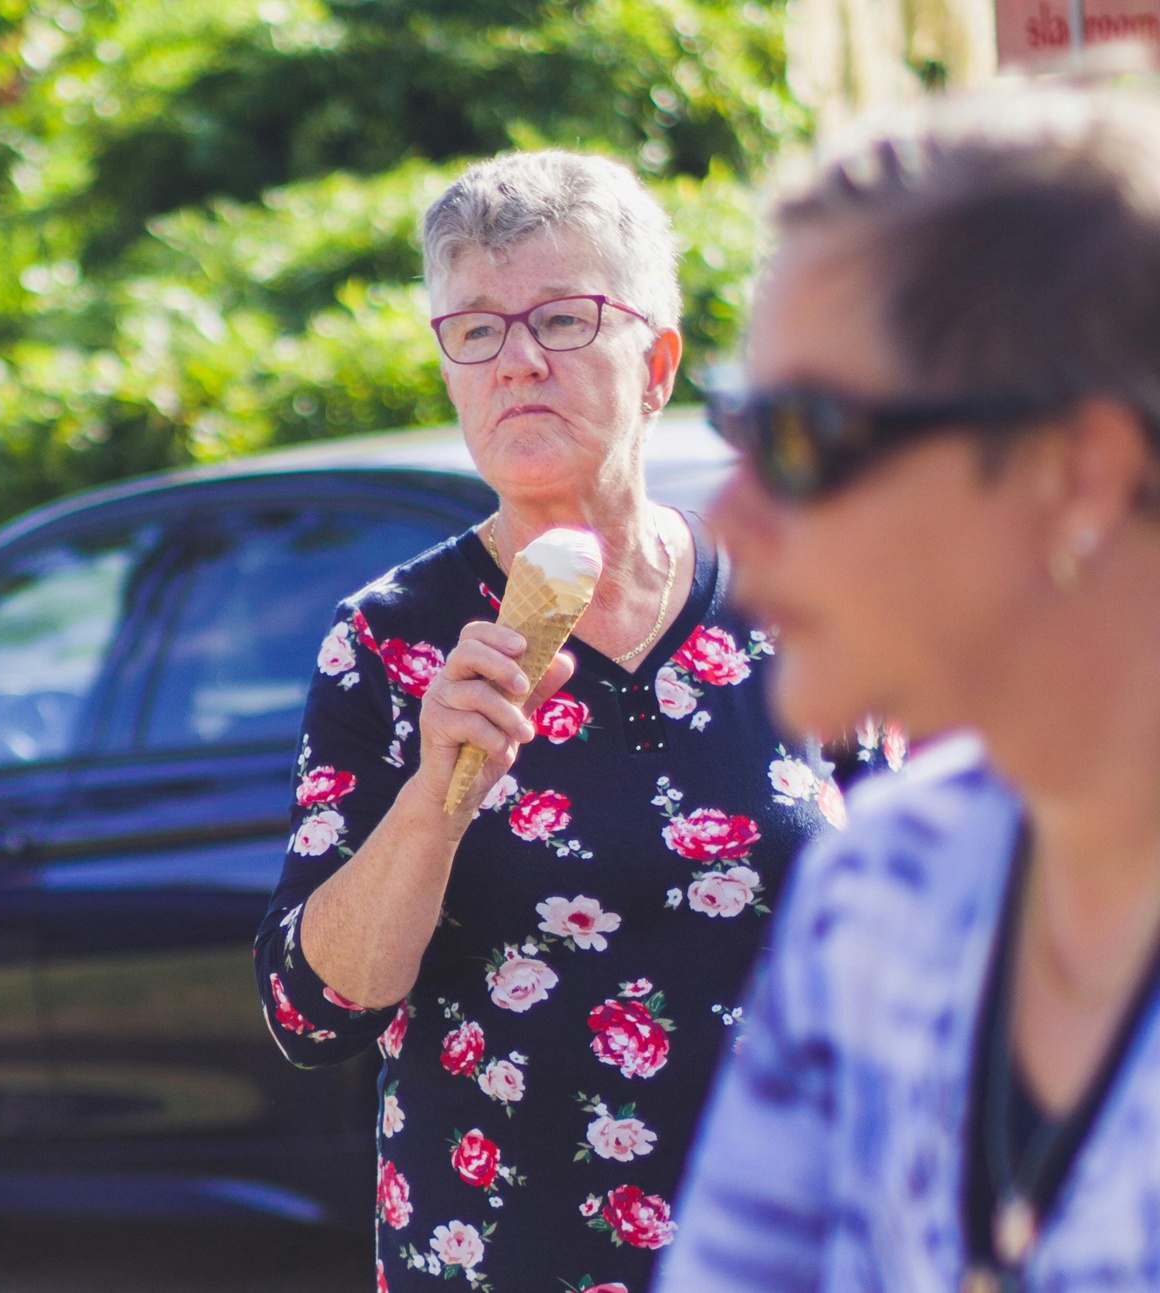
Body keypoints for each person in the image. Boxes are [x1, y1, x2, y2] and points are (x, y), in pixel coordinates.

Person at [253, 150, 845, 1293]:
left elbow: (936, 916)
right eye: (474, 330)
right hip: (504, 1250)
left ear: (658, 362)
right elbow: (312, 1012)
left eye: (564, 320)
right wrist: (437, 791)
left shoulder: (806, 599)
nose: (517, 360)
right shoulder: (390, 641)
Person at [657, 88, 1160, 1292]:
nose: (726, 517)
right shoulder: (883, 879)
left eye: (802, 438)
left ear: (1078, 472)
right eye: (735, 429)